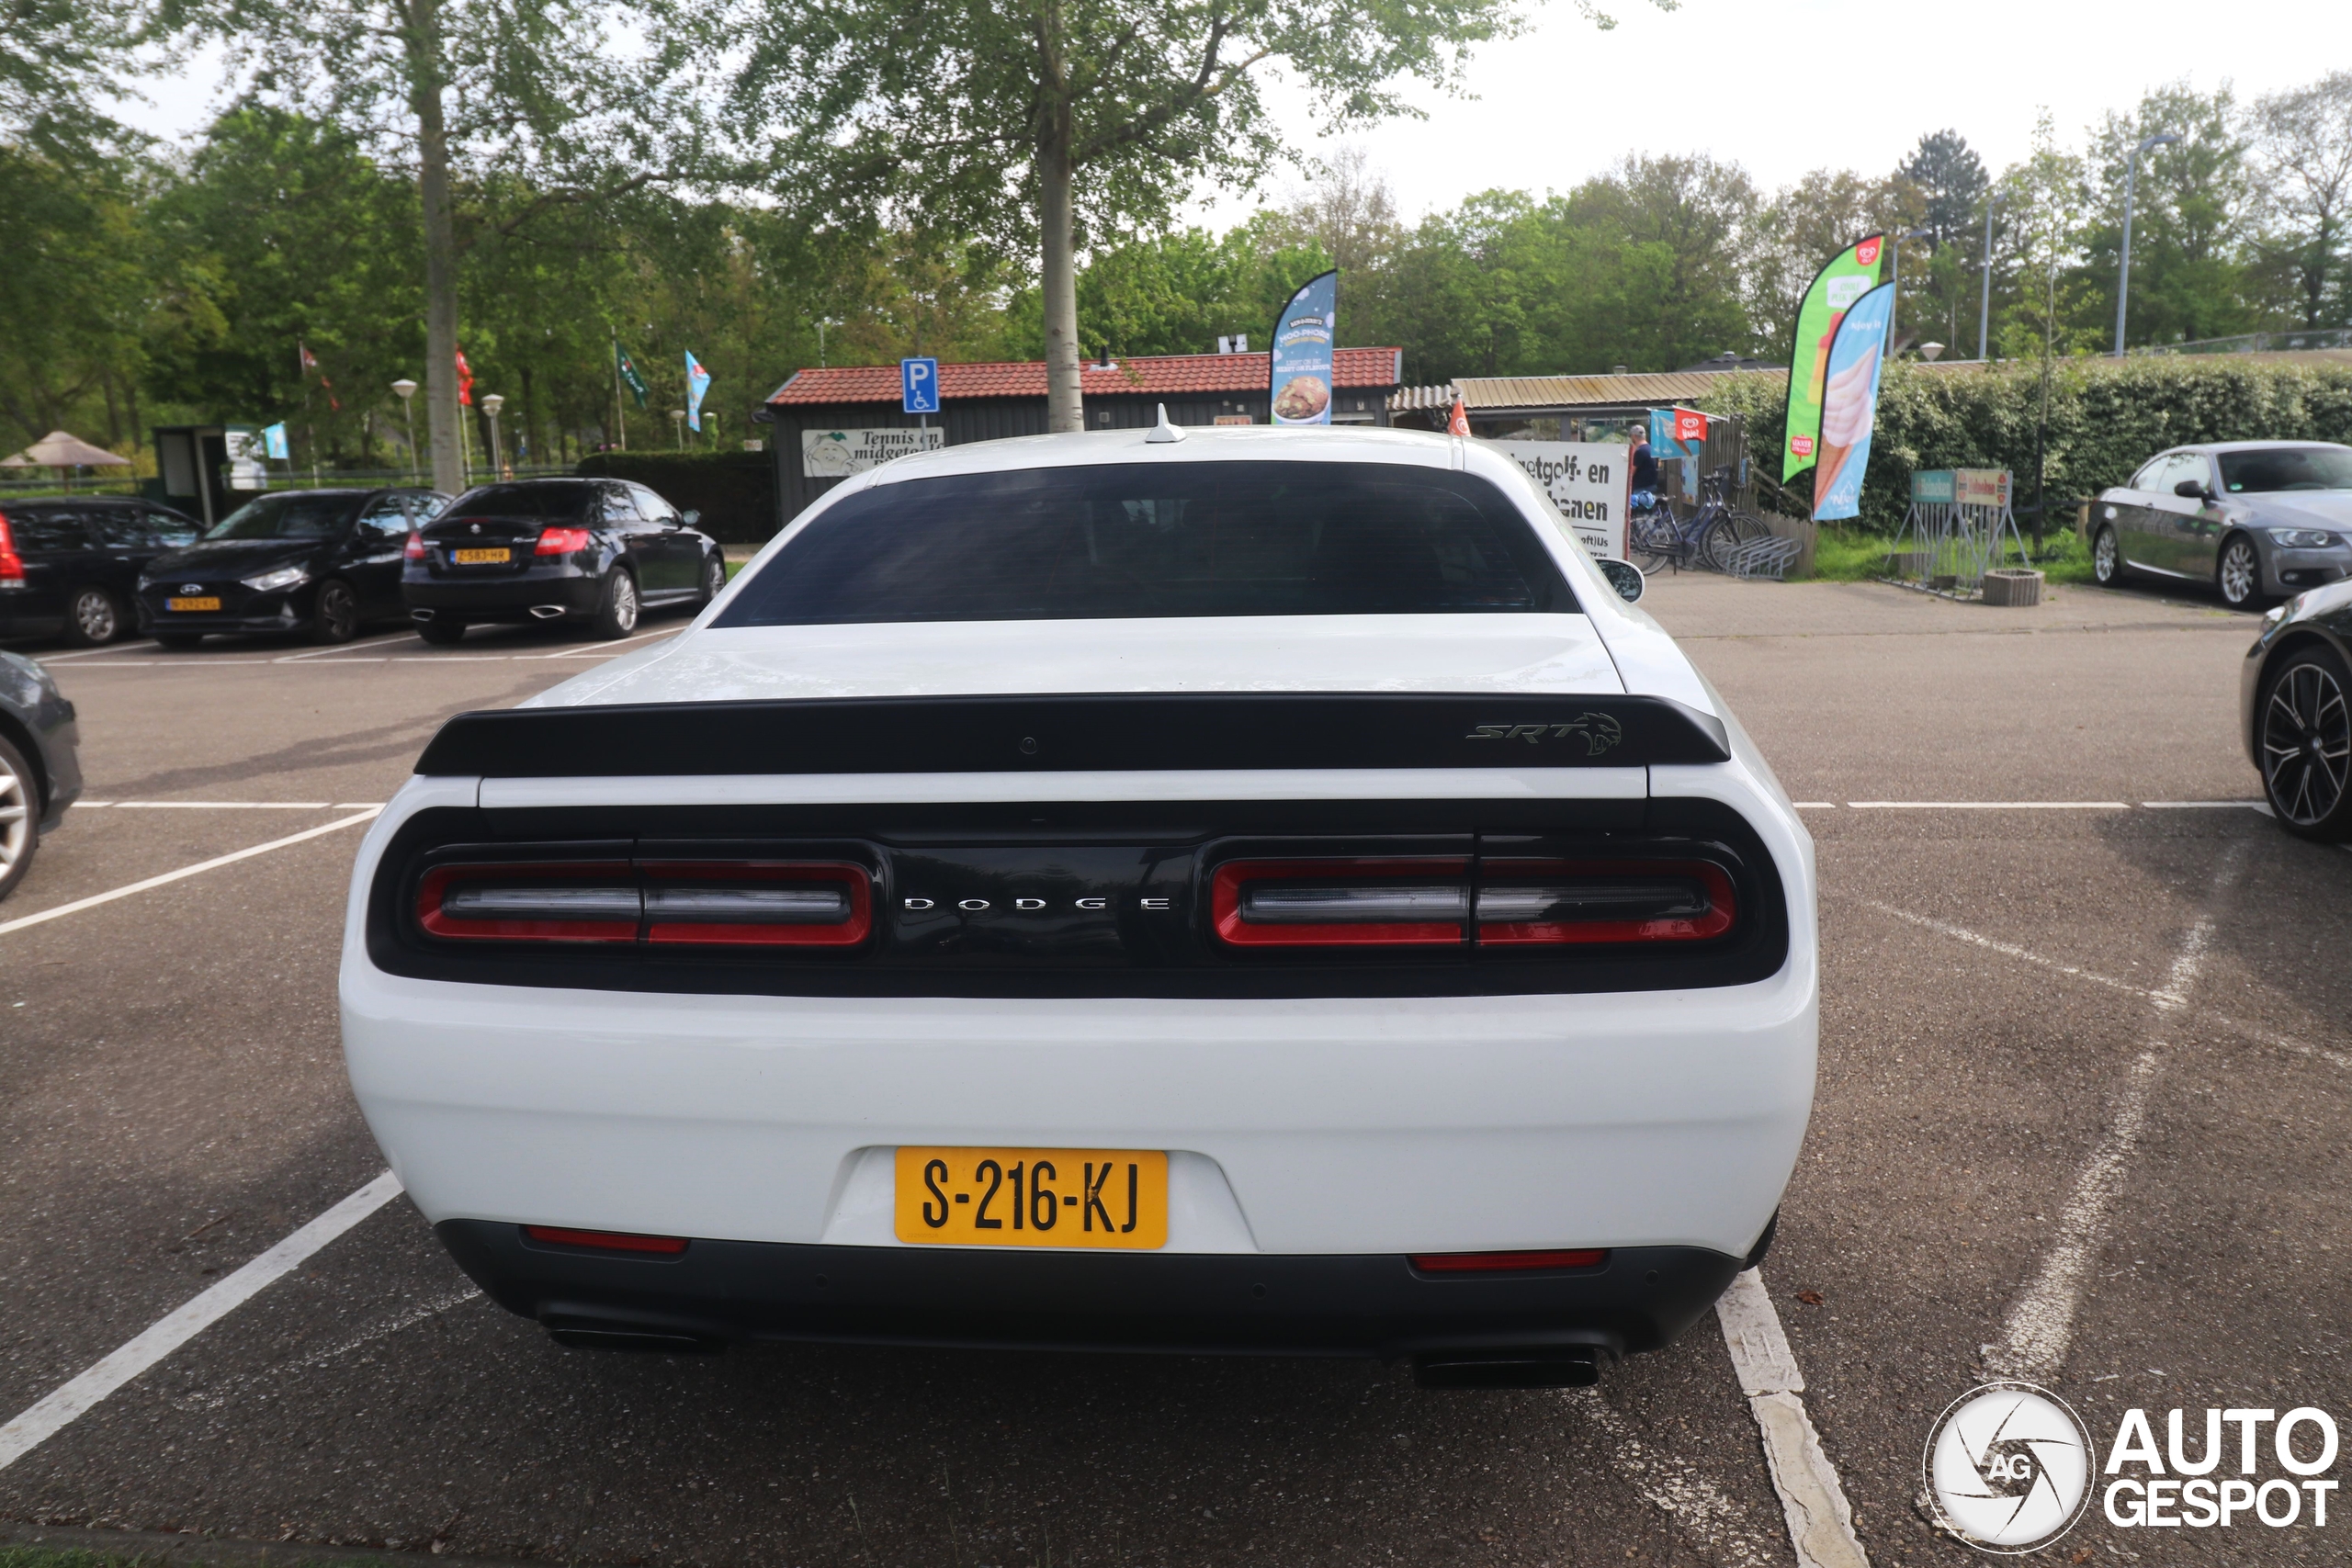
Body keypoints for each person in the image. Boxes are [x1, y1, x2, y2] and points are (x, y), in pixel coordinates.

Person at [1628, 422, 1661, 511]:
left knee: (1640, 518)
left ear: (1634, 436)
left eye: (1631, 437)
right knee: (1648, 516)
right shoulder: (1651, 449)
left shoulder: (1640, 451)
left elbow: (1631, 472)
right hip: (1651, 486)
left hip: (1642, 490)